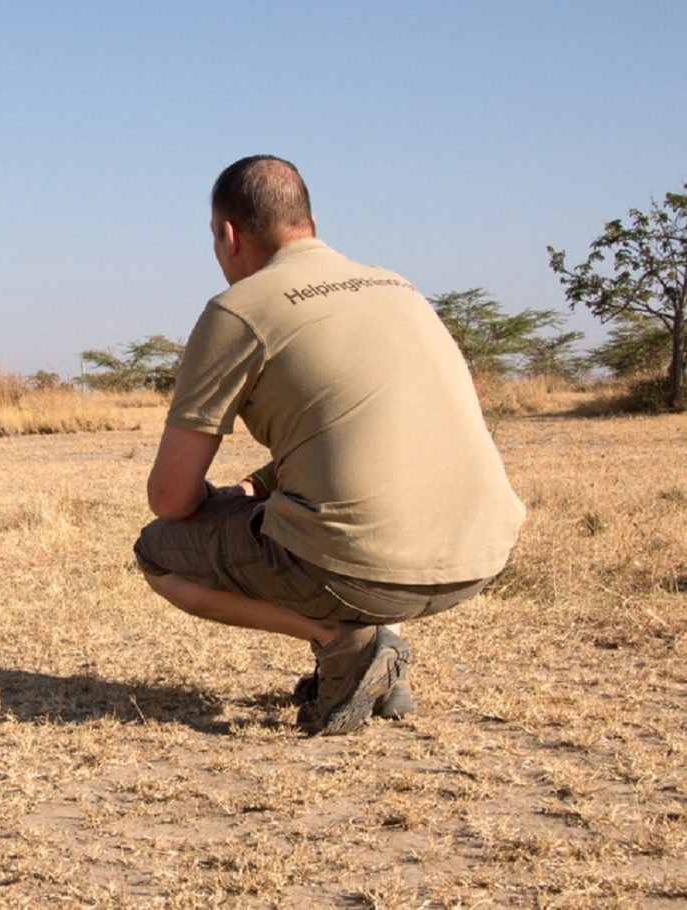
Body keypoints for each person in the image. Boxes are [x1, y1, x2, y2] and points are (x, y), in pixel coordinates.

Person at [135, 155, 525, 736]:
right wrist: (262, 486)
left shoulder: (239, 309)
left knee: (159, 551)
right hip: (479, 554)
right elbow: (355, 431)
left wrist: (225, 501)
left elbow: (170, 497)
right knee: (316, 522)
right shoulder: (398, 285)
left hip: (364, 568)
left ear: (227, 234)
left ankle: (342, 643)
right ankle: (379, 665)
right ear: (309, 222)